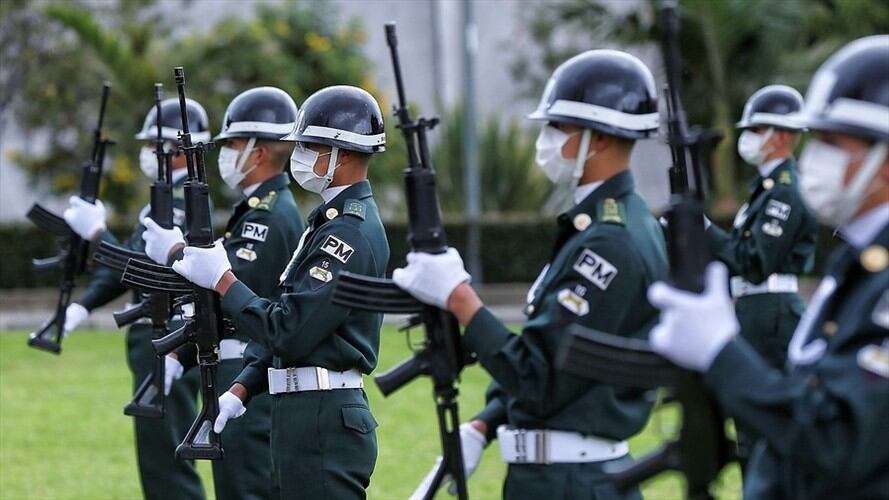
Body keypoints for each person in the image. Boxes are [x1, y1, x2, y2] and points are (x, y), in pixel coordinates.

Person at [395, 50, 669, 499]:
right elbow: (563, 362)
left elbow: (539, 379)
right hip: (559, 476)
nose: (544, 139)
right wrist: (486, 423)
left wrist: (460, 298)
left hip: (571, 483)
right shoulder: (607, 224)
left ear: (596, 138)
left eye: (556, 127)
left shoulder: (608, 241)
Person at [646, 35, 889, 499]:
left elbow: (837, 440)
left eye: (834, 141)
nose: (814, 154)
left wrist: (720, 352)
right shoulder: (858, 260)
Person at [169, 85, 390, 499]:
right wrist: (245, 384)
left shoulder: (349, 231)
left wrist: (223, 280)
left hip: (324, 420)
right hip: (305, 415)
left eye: (309, 145)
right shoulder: (329, 221)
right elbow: (298, 321)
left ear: (339, 154)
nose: (299, 154)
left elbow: (289, 328)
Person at [141, 86, 303, 499]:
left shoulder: (267, 216)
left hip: (247, 369)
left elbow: (227, 289)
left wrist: (176, 251)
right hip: (236, 369)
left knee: (246, 488)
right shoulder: (255, 210)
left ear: (259, 151)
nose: (226, 153)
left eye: (232, 144)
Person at [60, 97, 211, 500]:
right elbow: (123, 269)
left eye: (152, 146)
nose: (145, 153)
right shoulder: (161, 203)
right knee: (156, 460)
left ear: (177, 152)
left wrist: (97, 235)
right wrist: (83, 305)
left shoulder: (179, 208)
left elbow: (142, 266)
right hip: (154, 338)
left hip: (170, 338)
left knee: (167, 463)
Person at [707, 84, 818, 469]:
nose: (748, 138)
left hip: (769, 311)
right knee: (748, 425)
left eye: (757, 130)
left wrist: (704, 231)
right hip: (754, 308)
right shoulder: (766, 191)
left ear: (782, 136)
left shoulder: (785, 192)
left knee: (761, 423)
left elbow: (755, 263)